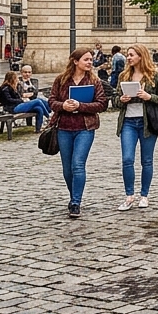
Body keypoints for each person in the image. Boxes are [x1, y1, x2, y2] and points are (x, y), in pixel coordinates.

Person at [48, 48, 107, 219]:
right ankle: (73, 194)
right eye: (86, 59)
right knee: (67, 169)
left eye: (91, 60)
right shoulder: (61, 80)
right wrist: (63, 106)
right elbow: (52, 101)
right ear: (75, 61)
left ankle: (75, 202)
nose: (90, 62)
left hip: (85, 128)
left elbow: (101, 104)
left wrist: (80, 106)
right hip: (64, 127)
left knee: (78, 164)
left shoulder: (94, 81)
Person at [112, 44, 158, 210]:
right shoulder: (124, 75)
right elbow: (114, 99)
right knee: (127, 159)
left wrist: (148, 96)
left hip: (147, 123)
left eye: (131, 55)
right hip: (128, 122)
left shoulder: (154, 76)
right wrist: (121, 100)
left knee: (147, 160)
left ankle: (144, 195)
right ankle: (129, 196)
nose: (128, 58)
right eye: (128, 55)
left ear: (141, 56)